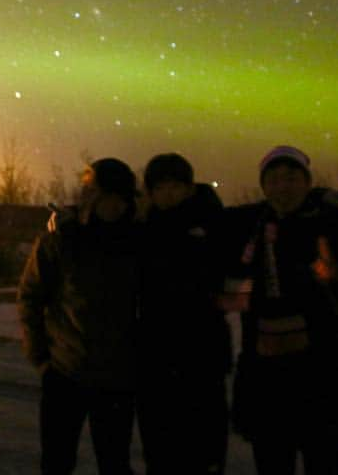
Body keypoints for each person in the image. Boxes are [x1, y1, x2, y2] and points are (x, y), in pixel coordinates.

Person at [225, 146, 338, 475]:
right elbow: (203, 218)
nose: (283, 187)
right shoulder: (253, 224)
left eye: (292, 178)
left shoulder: (332, 226)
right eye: (274, 179)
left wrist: (335, 281)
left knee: (323, 461)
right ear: (264, 186)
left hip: (321, 379)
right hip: (267, 378)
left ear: (307, 183)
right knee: (271, 461)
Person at [18, 158, 141, 475]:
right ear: (93, 196)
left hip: (117, 379)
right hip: (65, 373)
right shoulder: (62, 239)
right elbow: (31, 297)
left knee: (114, 463)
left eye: (120, 198)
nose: (113, 206)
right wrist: (41, 359)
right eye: (106, 196)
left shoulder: (138, 243)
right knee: (57, 462)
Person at [136, 153, 230, 475]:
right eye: (160, 188)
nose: (168, 194)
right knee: (160, 451)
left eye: (175, 186)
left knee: (203, 449)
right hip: (155, 358)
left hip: (202, 355)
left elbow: (237, 280)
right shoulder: (145, 227)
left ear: (190, 187)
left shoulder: (214, 222)